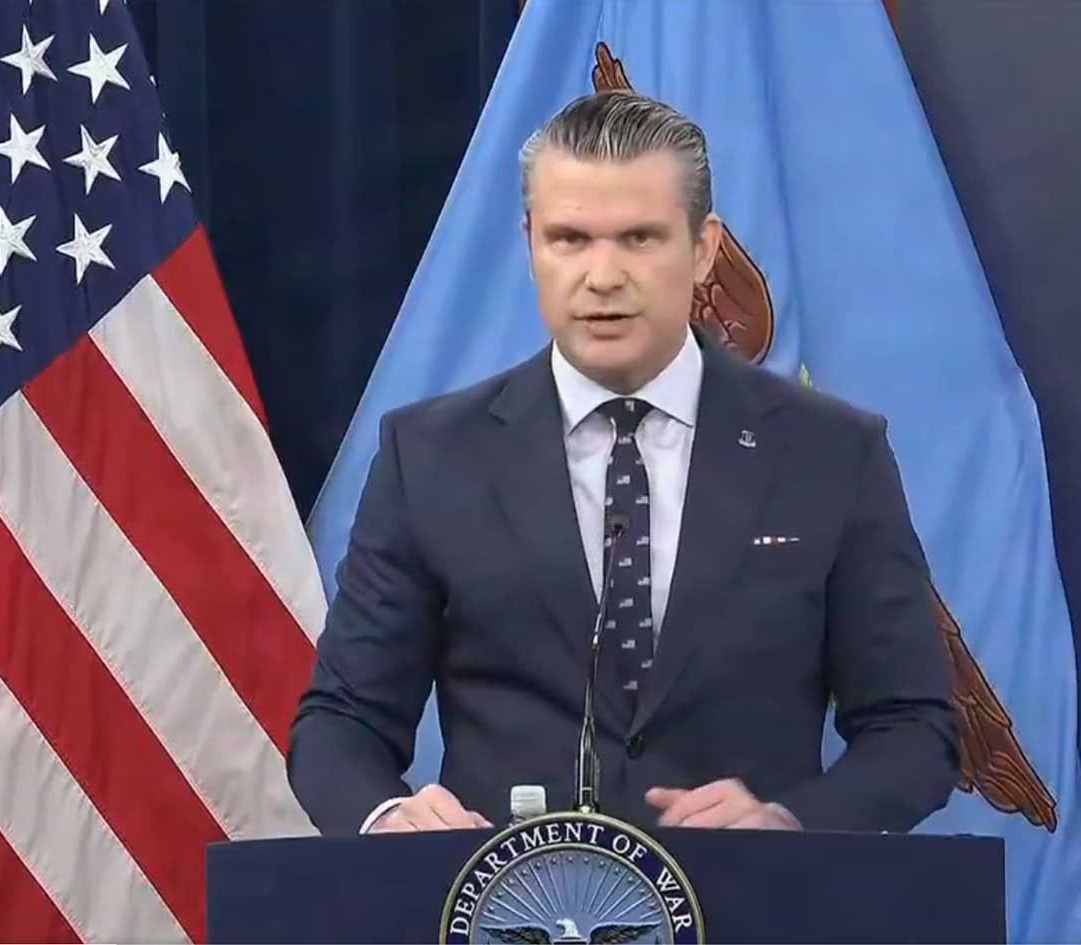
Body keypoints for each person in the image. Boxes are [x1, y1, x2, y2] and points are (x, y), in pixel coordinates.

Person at [288, 90, 959, 835]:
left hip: (748, 894)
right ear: (530, 243)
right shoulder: (430, 457)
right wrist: (388, 819)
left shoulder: (829, 453)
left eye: (639, 238)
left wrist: (790, 822)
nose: (603, 276)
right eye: (570, 239)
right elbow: (341, 725)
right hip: (512, 896)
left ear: (703, 249)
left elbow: (913, 728)